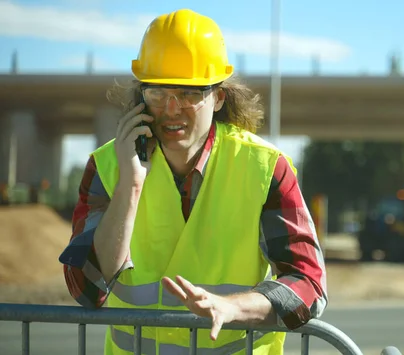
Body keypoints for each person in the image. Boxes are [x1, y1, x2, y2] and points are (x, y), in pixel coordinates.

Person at [59, 8, 327, 355]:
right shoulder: (107, 167)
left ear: (218, 97)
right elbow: (86, 290)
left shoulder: (264, 167)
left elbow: (309, 283)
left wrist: (233, 308)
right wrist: (131, 186)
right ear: (141, 97)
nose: (171, 109)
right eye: (157, 93)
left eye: (188, 93)